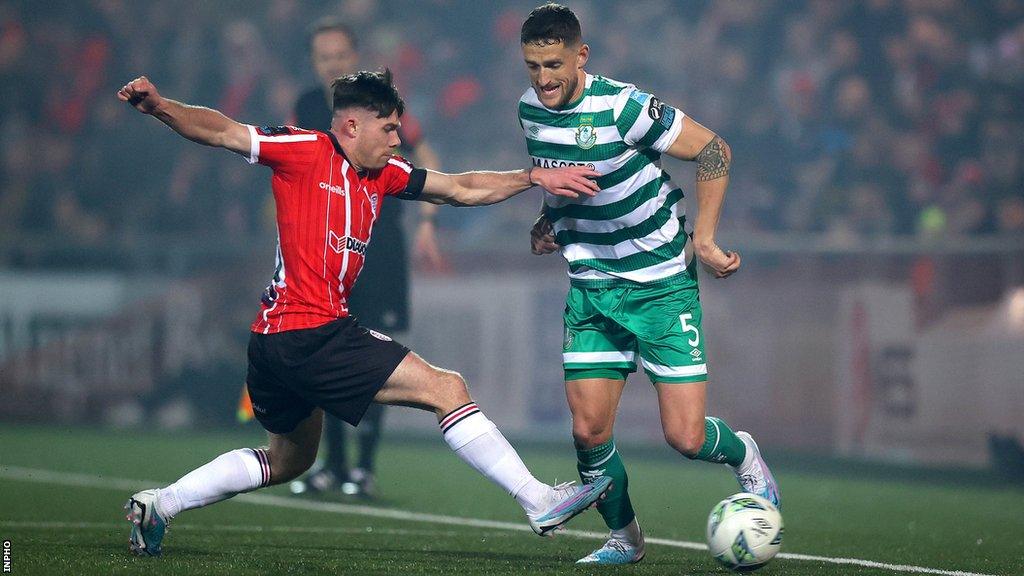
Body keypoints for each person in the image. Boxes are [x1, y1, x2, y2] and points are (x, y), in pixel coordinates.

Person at [117, 69, 611, 557]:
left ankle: (160, 504)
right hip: (310, 329)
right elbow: (223, 130)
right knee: (447, 388)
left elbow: (460, 188)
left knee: (289, 460)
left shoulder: (383, 174)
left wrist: (533, 177)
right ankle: (538, 500)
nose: (399, 140)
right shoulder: (305, 149)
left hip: (273, 341)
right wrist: (161, 106)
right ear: (351, 126)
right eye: (390, 129)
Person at [518, 4, 781, 565]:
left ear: (581, 55)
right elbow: (559, 173)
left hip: (661, 284)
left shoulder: (624, 106)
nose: (543, 80)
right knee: (589, 431)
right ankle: (625, 538)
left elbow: (714, 149)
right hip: (591, 288)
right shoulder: (529, 110)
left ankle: (745, 454)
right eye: (533, 66)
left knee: (685, 438)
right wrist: (550, 221)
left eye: (554, 64)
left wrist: (706, 239)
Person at [287, 17, 445, 499]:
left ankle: (364, 467)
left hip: (380, 249)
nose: (333, 63)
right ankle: (331, 465)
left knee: (377, 356)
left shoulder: (381, 103)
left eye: (340, 55)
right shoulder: (308, 107)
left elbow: (426, 154)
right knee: (325, 355)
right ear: (314, 63)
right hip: (326, 254)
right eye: (324, 57)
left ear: (353, 57)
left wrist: (426, 222)